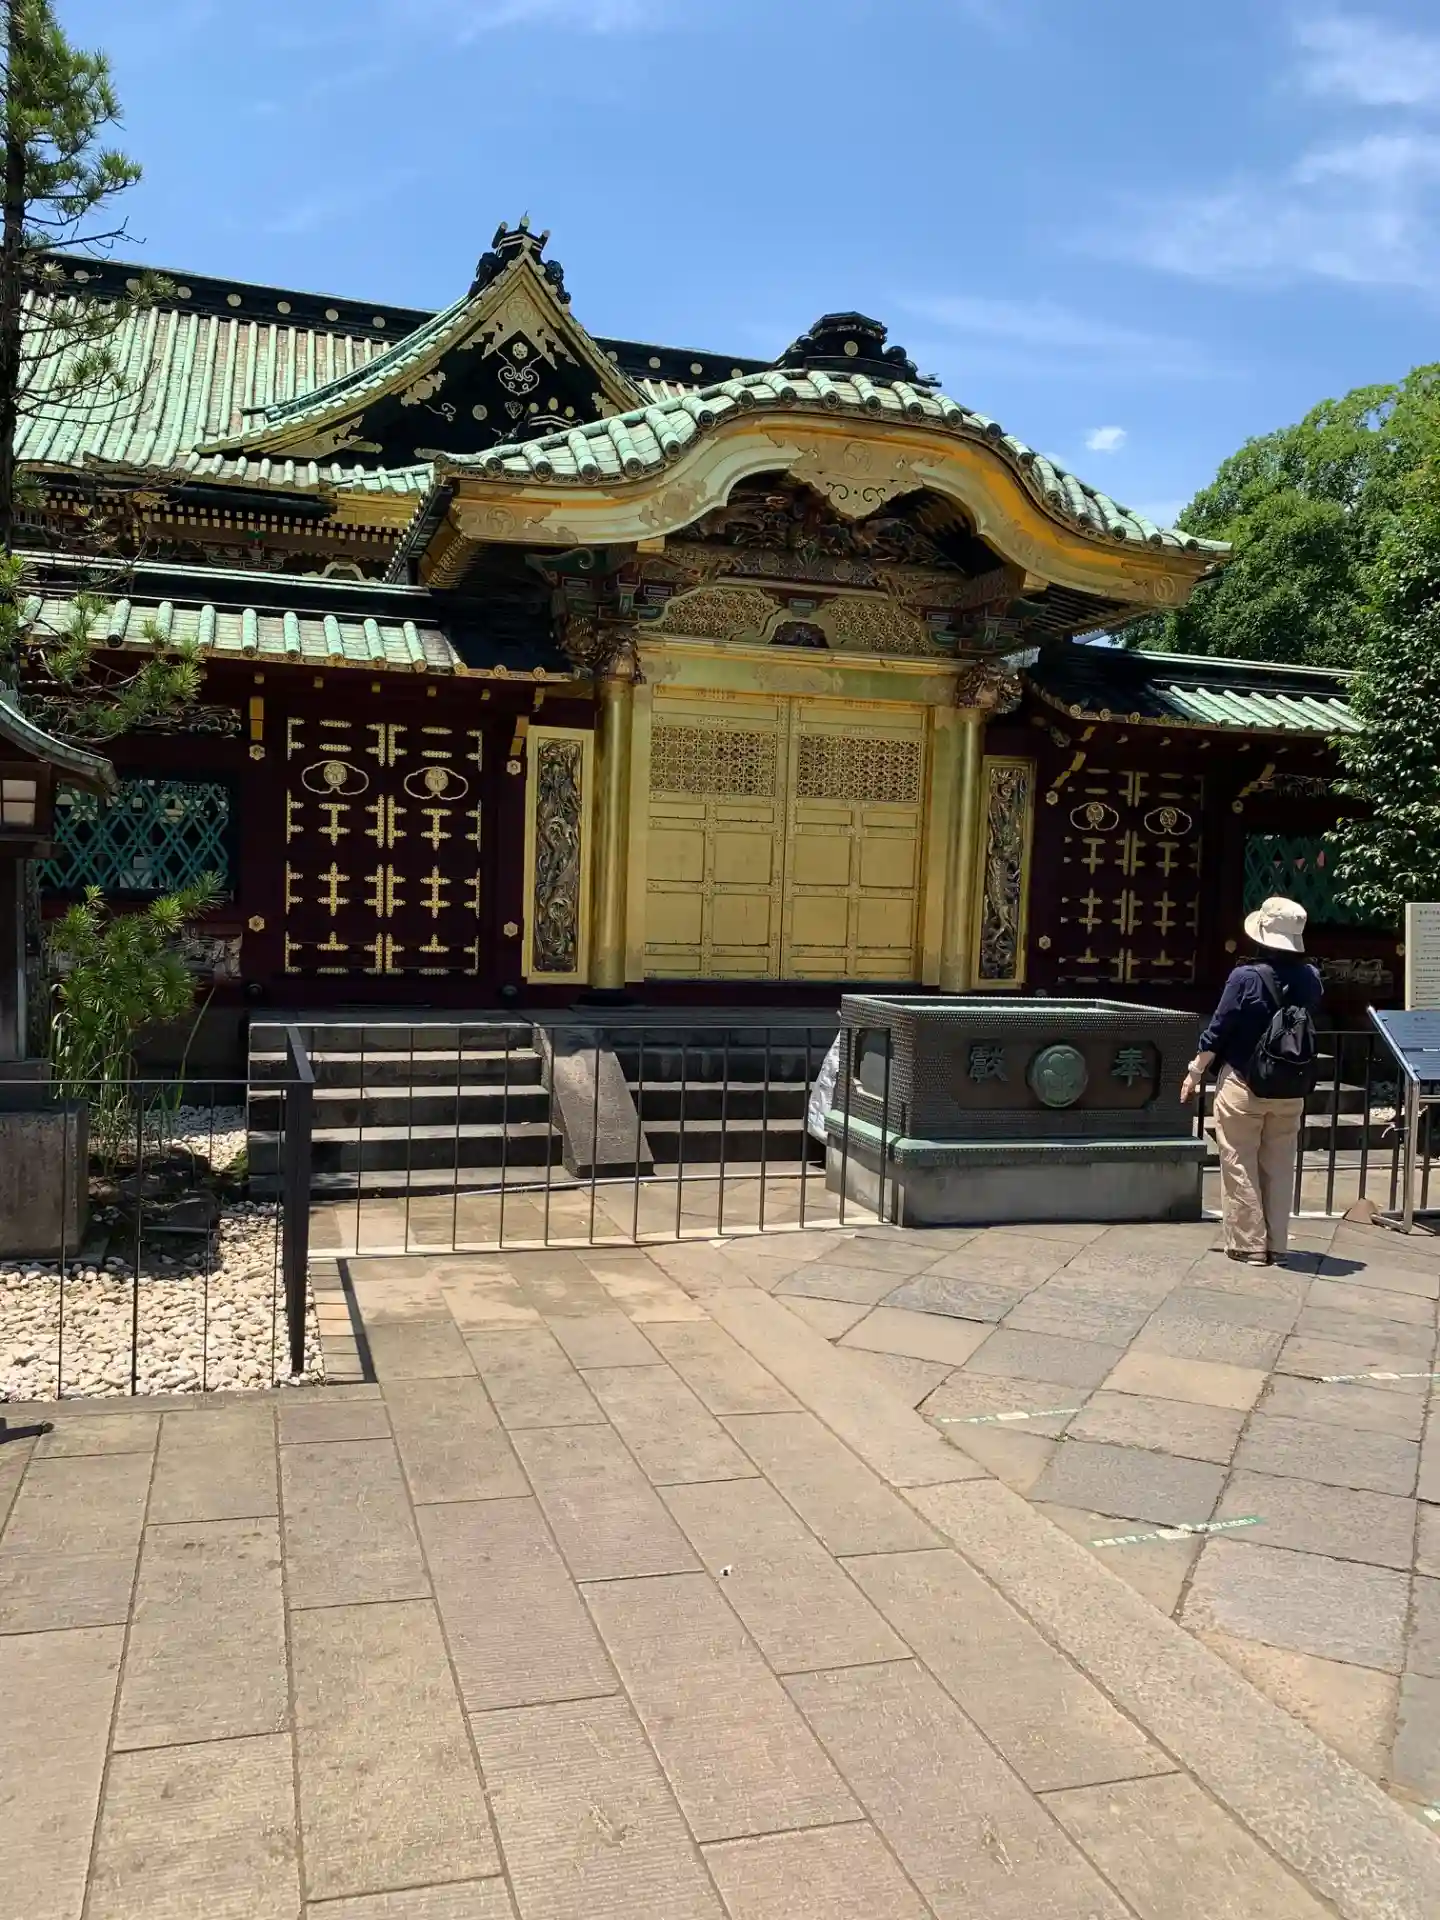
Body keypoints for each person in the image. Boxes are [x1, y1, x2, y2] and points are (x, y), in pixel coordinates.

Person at [1180, 897, 1322, 1265]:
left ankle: (1249, 1244)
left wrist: (1195, 1071)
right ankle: (1278, 1244)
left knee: (1239, 1161)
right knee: (1279, 1166)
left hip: (1244, 1081)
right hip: (1290, 1086)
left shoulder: (1245, 977)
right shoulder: (1311, 978)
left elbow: (1218, 1029)